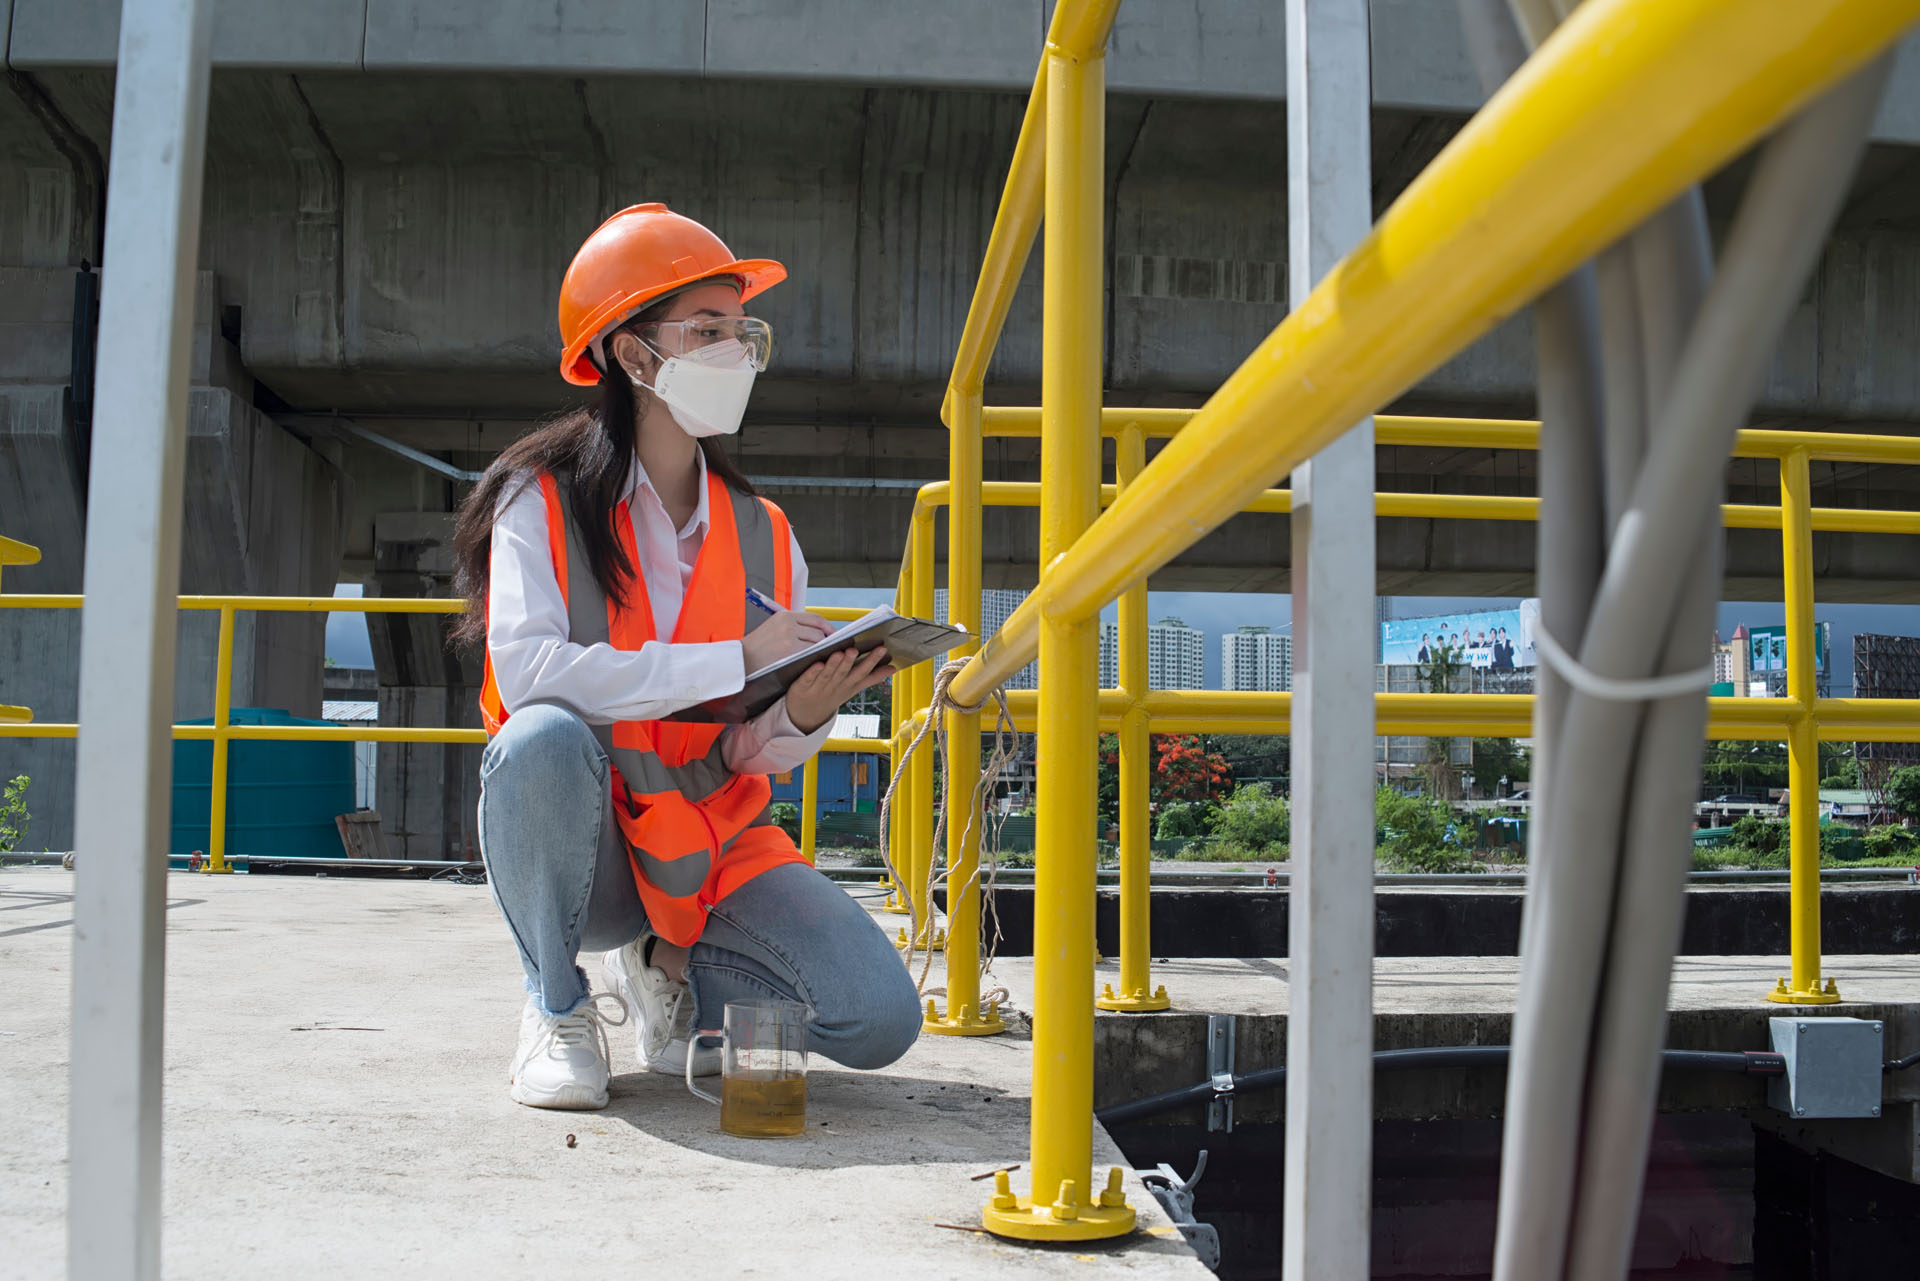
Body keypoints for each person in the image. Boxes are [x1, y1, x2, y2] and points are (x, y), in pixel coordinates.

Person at [452, 204, 922, 1110]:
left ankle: (672, 969)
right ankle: (554, 1003)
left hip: (702, 846)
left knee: (876, 1016)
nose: (735, 353)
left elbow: (743, 753)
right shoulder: (537, 500)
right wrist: (728, 656)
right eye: (707, 331)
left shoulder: (768, 535)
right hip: (590, 853)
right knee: (540, 737)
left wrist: (802, 713)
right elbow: (528, 672)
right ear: (633, 357)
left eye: (743, 333)